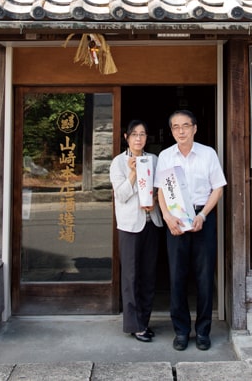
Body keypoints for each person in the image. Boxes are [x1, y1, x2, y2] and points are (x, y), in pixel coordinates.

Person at [155, 110, 227, 352]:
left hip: (201, 218)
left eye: (186, 126)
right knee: (176, 278)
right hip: (175, 222)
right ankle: (182, 331)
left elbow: (218, 188)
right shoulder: (166, 156)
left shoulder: (208, 154)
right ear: (172, 131)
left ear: (195, 128)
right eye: (176, 127)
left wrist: (203, 215)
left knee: (205, 278)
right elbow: (161, 192)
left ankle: (204, 331)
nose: (181, 131)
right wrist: (167, 218)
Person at [109, 119, 163, 343]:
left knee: (149, 275)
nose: (139, 138)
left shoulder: (154, 159)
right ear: (126, 138)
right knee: (131, 276)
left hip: (152, 222)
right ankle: (134, 325)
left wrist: (155, 201)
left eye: (142, 134)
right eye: (134, 134)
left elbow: (162, 189)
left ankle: (145, 321)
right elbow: (120, 195)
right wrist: (132, 173)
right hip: (130, 225)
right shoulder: (118, 163)